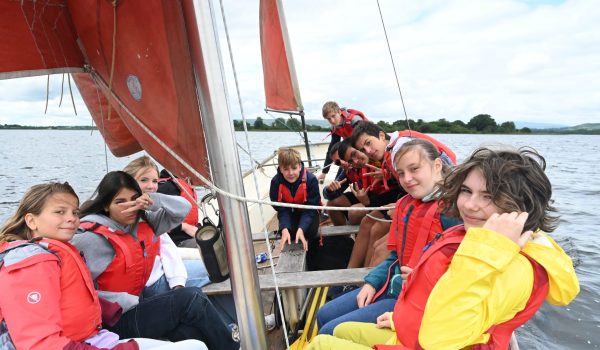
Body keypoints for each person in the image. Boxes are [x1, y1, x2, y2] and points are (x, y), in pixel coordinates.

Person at [308, 147, 580, 349]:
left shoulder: (515, 268)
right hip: (418, 322)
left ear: (522, 208)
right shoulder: (471, 232)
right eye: (466, 191)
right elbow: (444, 292)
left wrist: (487, 252)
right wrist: (402, 315)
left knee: (322, 342)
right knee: (342, 329)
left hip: (437, 340)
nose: (470, 205)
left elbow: (440, 337)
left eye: (489, 197)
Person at [0, 182, 206, 350]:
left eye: (74, 212)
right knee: (194, 339)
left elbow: (71, 299)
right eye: (60, 212)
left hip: (96, 334)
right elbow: (40, 343)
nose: (71, 218)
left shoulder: (56, 251)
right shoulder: (31, 264)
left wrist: (114, 305)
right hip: (84, 343)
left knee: (193, 340)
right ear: (31, 221)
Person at [72, 171, 239, 350]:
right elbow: (76, 291)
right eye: (120, 202)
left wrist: (153, 200)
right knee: (191, 297)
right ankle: (232, 347)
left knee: (185, 331)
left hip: (139, 307)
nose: (129, 206)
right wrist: (121, 300)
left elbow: (183, 209)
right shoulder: (91, 239)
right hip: (115, 321)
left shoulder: (145, 222)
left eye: (134, 199)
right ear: (106, 206)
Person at [316, 138, 461, 335]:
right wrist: (371, 282)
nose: (407, 179)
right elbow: (396, 257)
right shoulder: (406, 205)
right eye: (401, 173)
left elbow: (462, 275)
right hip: (389, 286)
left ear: (437, 165)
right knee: (323, 314)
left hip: (413, 301)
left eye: (414, 169)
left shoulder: (453, 213)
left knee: (330, 330)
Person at [270, 147, 353, 270]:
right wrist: (284, 228)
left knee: (308, 231)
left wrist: (302, 228)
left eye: (294, 168)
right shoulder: (276, 182)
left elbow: (310, 209)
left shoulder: (311, 180)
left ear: (300, 166)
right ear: (280, 169)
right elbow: (282, 209)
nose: (291, 173)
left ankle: (312, 251)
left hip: (309, 212)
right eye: (286, 169)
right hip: (290, 212)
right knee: (290, 233)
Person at [318, 101, 367, 183]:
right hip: (352, 153)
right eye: (329, 119)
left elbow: (364, 141)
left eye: (333, 116)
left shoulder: (355, 120)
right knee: (336, 184)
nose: (332, 121)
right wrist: (324, 172)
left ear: (339, 112)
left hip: (365, 152)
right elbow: (332, 149)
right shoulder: (335, 128)